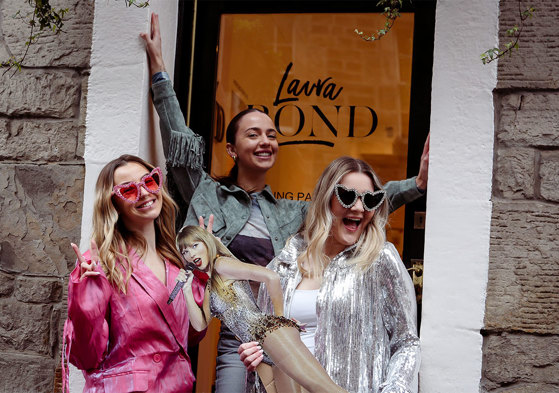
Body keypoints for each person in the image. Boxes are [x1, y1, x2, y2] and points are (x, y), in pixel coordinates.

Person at [141, 12, 427, 393]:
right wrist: (160, 73)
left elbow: (353, 201)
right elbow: (179, 144)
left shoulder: (291, 213)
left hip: (278, 329)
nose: (266, 141)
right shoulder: (208, 193)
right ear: (231, 149)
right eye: (253, 134)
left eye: (272, 134)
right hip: (232, 333)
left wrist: (418, 185)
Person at [240, 156, 420, 393]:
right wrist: (256, 353)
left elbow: (406, 343)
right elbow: (268, 344)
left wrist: (394, 389)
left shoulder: (380, 260)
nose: (358, 207)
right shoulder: (283, 266)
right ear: (327, 199)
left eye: (369, 200)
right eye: (347, 196)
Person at [61, 155, 206, 393]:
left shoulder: (175, 261)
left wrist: (201, 271)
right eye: (128, 190)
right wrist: (87, 299)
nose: (145, 193)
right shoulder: (100, 263)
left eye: (150, 181)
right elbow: (85, 358)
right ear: (113, 203)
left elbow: (191, 336)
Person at [175, 225, 347, 393]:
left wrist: (280, 320)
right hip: (258, 347)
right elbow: (200, 325)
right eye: (185, 252)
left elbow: (270, 276)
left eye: (194, 245)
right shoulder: (210, 287)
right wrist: (187, 290)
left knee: (324, 389)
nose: (190, 254)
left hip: (267, 332)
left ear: (207, 242)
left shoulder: (221, 264)